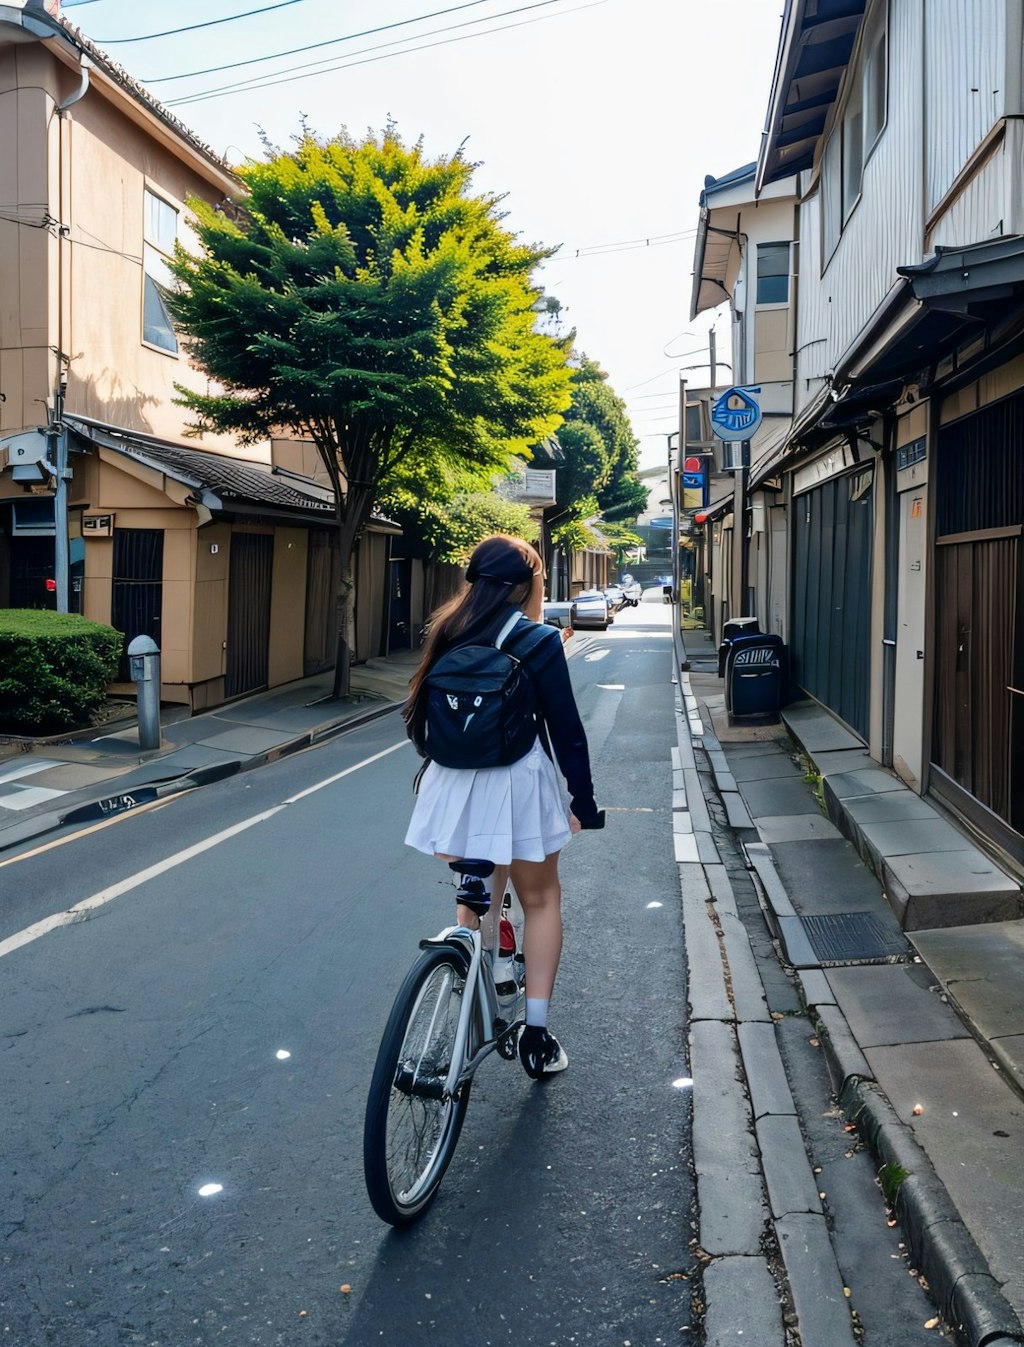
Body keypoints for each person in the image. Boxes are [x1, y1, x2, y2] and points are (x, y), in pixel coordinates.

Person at [403, 534, 604, 1080]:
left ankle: (480, 979)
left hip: (451, 783)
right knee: (539, 899)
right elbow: (567, 729)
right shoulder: (537, 640)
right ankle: (535, 1034)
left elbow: (421, 712)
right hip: (516, 781)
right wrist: (583, 801)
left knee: (477, 899)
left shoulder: (448, 630)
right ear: (526, 585)